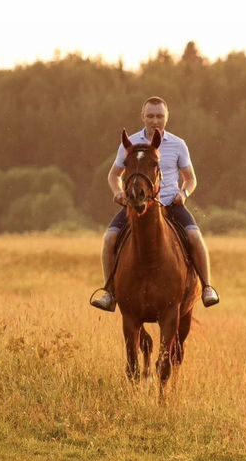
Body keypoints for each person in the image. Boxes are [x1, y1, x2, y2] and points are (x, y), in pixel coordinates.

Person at [90, 96, 220, 311]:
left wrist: (184, 193)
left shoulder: (178, 145)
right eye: (150, 116)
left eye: (159, 116)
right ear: (143, 117)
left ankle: (207, 287)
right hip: (136, 205)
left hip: (171, 204)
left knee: (195, 236)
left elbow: (191, 178)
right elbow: (113, 175)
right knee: (109, 238)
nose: (155, 120)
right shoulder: (129, 143)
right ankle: (110, 292)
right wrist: (118, 192)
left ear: (166, 118)